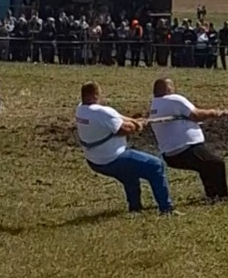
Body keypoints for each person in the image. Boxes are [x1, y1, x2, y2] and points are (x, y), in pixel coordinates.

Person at [75, 81, 176, 215]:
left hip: (94, 161)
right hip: (112, 158)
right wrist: (137, 126)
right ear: (95, 95)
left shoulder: (81, 109)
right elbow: (124, 129)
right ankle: (166, 209)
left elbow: (117, 117)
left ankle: (135, 208)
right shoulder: (102, 112)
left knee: (129, 174)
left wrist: (135, 120)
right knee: (156, 165)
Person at [148, 78, 228, 203]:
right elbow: (196, 115)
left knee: (205, 166)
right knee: (216, 164)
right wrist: (214, 112)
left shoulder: (155, 104)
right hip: (184, 148)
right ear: (168, 88)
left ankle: (212, 196)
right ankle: (224, 196)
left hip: (170, 153)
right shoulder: (174, 99)